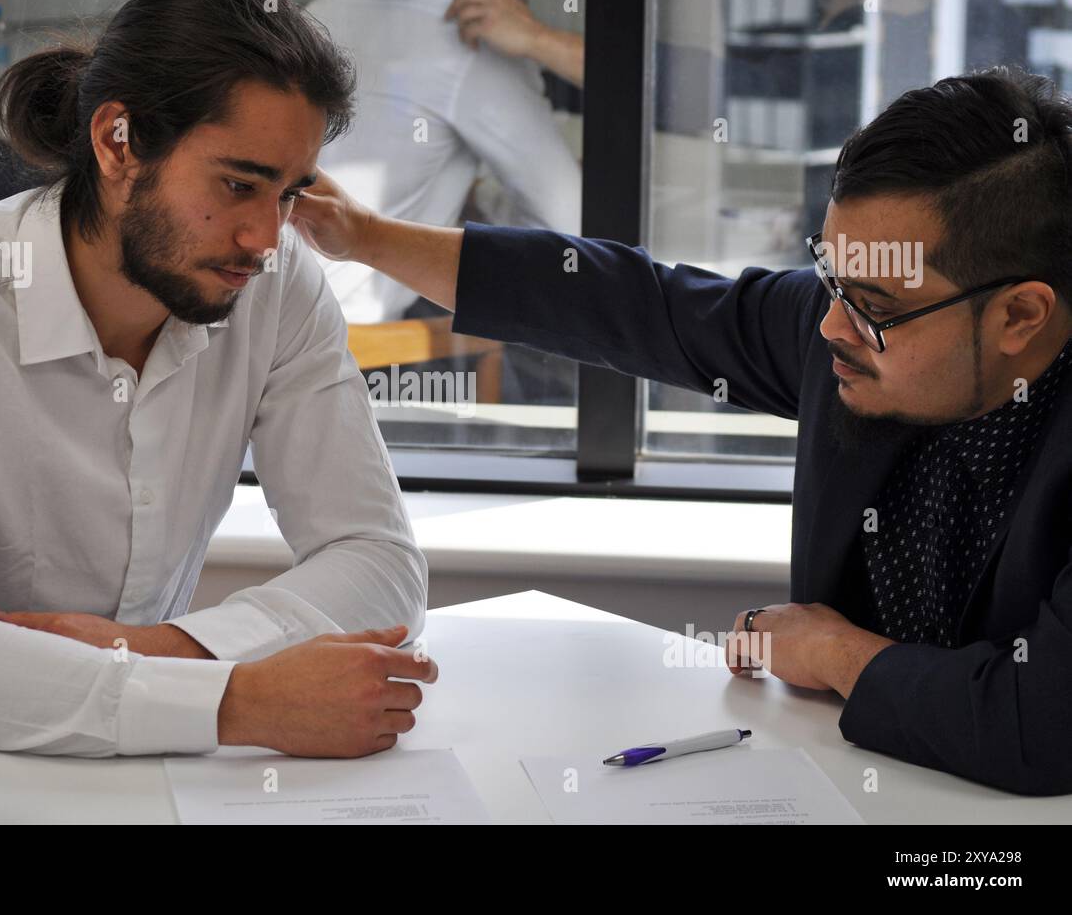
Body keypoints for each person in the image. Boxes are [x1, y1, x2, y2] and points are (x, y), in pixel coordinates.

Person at [291, 66, 1072, 795]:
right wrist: (365, 236)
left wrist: (836, 651)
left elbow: (1036, 727)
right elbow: (637, 305)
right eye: (827, 275)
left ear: (1019, 315)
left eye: (874, 305)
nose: (830, 323)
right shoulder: (844, 328)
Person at [0, 0, 437, 760]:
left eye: (290, 194)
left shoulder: (275, 287)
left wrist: (167, 653)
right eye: (238, 184)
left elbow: (380, 560)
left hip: (133, 766)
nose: (266, 237)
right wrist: (234, 701)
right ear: (116, 144)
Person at [305, 0, 581, 324]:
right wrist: (488, 206)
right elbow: (565, 223)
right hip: (347, 331)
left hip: (262, 298)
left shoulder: (327, 7)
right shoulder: (476, 38)